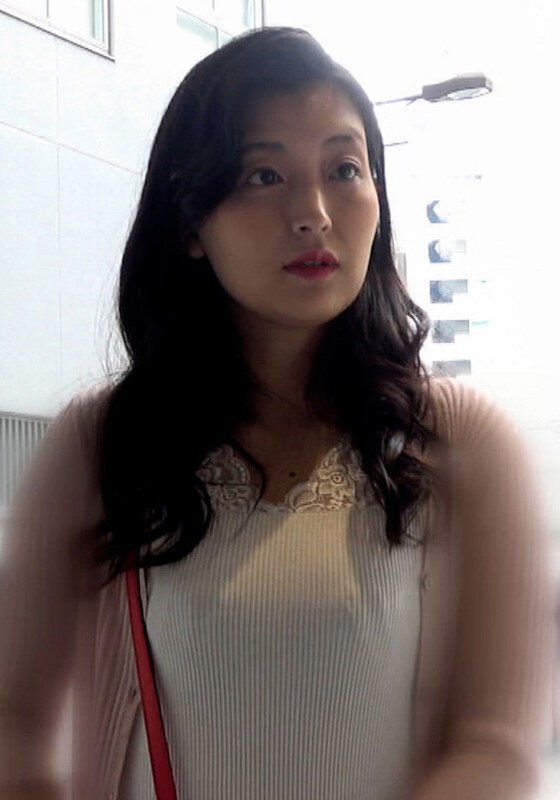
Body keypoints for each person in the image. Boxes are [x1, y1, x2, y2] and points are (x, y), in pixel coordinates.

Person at [0, 26, 555, 800]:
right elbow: (17, 727)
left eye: (345, 168)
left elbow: (494, 744)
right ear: (190, 223)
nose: (315, 212)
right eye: (264, 174)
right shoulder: (101, 441)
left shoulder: (462, 441)